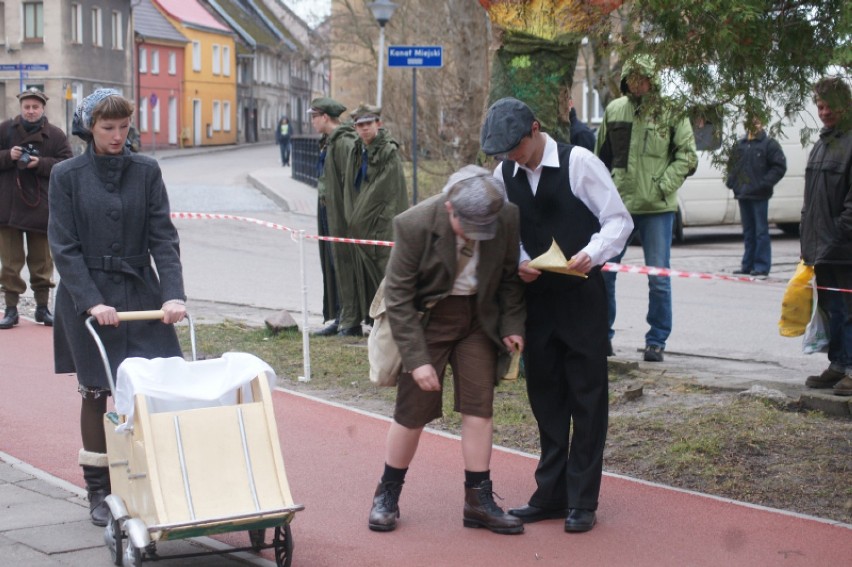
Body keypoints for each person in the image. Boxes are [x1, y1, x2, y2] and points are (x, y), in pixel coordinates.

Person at [481, 97, 633, 533]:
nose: (509, 156)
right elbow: (503, 232)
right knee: (545, 397)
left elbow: (618, 222)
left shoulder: (579, 162)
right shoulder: (503, 173)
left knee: (587, 398)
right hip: (537, 301)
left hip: (583, 296)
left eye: (514, 146)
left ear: (535, 129)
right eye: (502, 151)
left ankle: (583, 498)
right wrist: (520, 260)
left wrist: (592, 252)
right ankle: (551, 493)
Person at [47, 89, 187, 526]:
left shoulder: (146, 171)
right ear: (89, 128)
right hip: (85, 295)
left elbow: (163, 237)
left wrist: (173, 294)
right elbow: (64, 247)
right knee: (95, 391)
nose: (117, 136)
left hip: (139, 291)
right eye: (108, 128)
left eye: (124, 127)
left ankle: (153, 478)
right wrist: (92, 301)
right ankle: (98, 490)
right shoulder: (66, 175)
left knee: (152, 384)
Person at [367, 165, 526, 535]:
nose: (477, 235)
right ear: (451, 208)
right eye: (469, 226)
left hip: (477, 319)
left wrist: (513, 325)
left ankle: (478, 501)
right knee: (412, 412)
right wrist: (418, 359)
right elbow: (400, 297)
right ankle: (387, 493)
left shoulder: (505, 214)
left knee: (479, 406)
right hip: (427, 319)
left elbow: (508, 278)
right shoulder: (414, 224)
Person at [595, 55, 697, 361]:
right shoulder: (615, 110)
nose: (638, 84)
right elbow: (600, 158)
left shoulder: (671, 111)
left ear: (653, 80)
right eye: (633, 78)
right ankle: (602, 336)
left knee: (658, 278)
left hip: (657, 209)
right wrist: (601, 196)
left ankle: (656, 340)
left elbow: (688, 157)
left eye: (644, 78)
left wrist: (662, 186)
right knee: (604, 272)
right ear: (626, 80)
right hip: (619, 207)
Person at [0, 87, 73, 329]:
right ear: (20, 108)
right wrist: (7, 156)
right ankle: (11, 310)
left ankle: (43, 308)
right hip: (8, 208)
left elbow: (67, 165)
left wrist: (40, 163)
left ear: (43, 108)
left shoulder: (55, 135)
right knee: (10, 264)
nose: (31, 111)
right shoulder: (5, 130)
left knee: (42, 263)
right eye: (27, 107)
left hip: (41, 207)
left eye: (35, 107)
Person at [800, 77, 852, 397]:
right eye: (820, 105)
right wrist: (809, 241)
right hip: (822, 247)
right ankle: (838, 364)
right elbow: (811, 201)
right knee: (832, 309)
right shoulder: (822, 143)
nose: (824, 111)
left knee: (849, 309)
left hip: (844, 247)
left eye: (830, 104)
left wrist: (835, 235)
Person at [337, 104, 408, 337]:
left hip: (383, 223)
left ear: (378, 124)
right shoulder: (357, 150)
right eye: (360, 125)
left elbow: (383, 191)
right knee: (366, 273)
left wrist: (357, 219)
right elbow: (350, 185)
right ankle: (376, 321)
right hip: (362, 224)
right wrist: (352, 218)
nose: (364, 129)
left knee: (385, 270)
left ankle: (397, 324)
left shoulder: (388, 152)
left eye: (368, 124)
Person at [307, 98, 358, 336]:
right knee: (332, 263)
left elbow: (351, 181)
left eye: (314, 117)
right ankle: (339, 316)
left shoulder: (345, 142)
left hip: (341, 212)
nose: (312, 122)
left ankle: (351, 320)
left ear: (325, 117)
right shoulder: (328, 142)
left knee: (344, 263)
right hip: (328, 208)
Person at [725, 118, 787, 278]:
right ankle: (747, 265)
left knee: (761, 231)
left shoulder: (769, 144)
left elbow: (779, 167)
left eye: (757, 121)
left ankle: (761, 266)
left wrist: (764, 184)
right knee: (748, 232)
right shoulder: (741, 145)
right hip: (743, 194)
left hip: (760, 195)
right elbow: (732, 166)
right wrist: (732, 183)